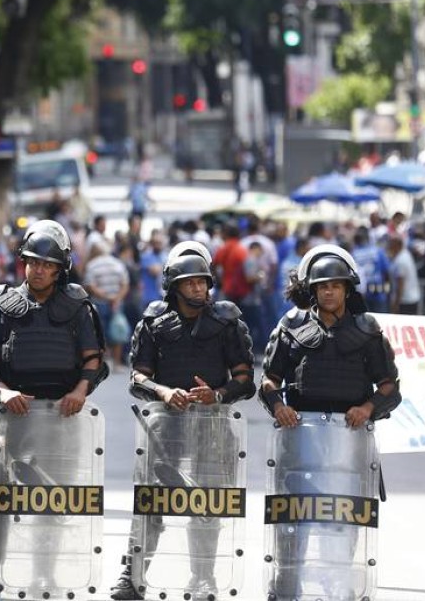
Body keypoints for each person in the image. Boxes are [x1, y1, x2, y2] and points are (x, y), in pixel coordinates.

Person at [0, 220, 108, 598]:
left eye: (47, 265)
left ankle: (47, 574)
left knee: (53, 499)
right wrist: (3, 390)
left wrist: (80, 390)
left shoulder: (76, 305)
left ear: (60, 269)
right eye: (32, 262)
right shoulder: (1, 305)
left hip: (63, 419)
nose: (38, 270)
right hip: (13, 417)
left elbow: (95, 359)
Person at [258, 245, 401, 600]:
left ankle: (340, 590)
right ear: (313, 290)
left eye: (336, 285)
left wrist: (368, 407)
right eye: (322, 286)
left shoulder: (367, 330)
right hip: (300, 441)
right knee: (294, 523)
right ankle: (286, 588)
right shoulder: (290, 326)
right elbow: (269, 380)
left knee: (344, 526)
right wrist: (277, 406)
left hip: (348, 444)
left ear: (347, 289)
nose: (329, 291)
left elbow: (390, 387)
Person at [110, 253, 255, 600]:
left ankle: (203, 577)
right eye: (190, 282)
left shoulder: (227, 322)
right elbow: (137, 377)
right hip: (165, 425)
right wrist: (163, 391)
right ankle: (132, 576)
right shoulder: (154, 322)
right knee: (151, 500)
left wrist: (217, 395)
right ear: (174, 288)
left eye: (203, 281)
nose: (198, 287)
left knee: (208, 504)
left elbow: (245, 379)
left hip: (213, 426)